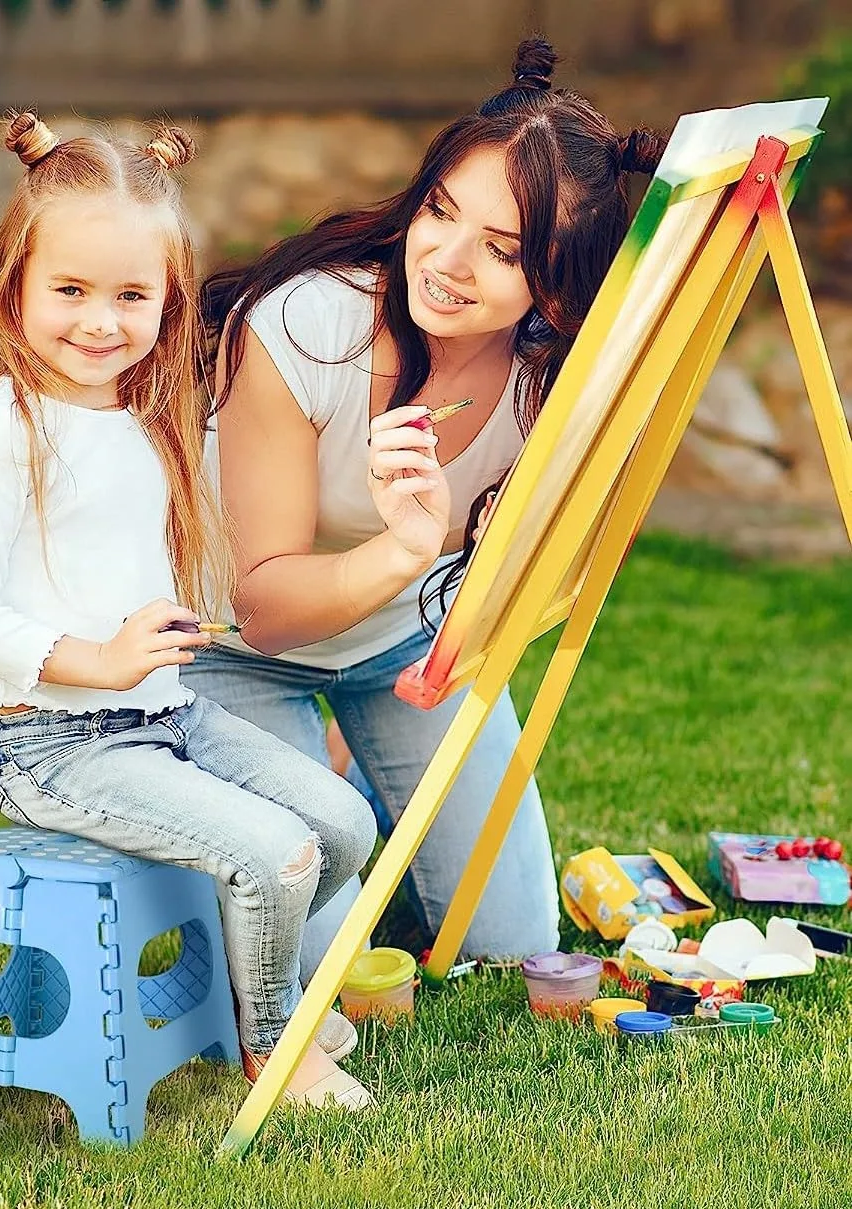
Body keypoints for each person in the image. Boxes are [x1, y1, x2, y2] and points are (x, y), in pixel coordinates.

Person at [0, 112, 377, 1109]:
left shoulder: (142, 414)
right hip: (52, 746)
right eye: (70, 291)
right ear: (14, 288)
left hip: (167, 718)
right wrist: (95, 657)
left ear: (169, 301)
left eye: (131, 295)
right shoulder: (2, 436)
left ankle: (249, 989)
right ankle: (273, 1049)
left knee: (342, 824)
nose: (100, 321)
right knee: (277, 852)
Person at [191, 39, 667, 982]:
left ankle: (371, 787)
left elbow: (560, 569)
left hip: (402, 650)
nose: (447, 262)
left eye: (501, 250)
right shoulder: (301, 323)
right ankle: (320, 806)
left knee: (512, 946)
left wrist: (511, 557)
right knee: (306, 971)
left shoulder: (551, 377)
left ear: (559, 283)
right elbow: (267, 608)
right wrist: (407, 548)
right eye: (440, 212)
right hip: (229, 650)